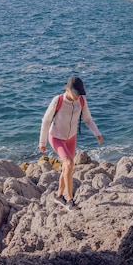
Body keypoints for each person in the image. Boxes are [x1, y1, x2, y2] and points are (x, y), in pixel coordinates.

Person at [39, 76, 104, 210]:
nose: (77, 96)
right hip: (56, 137)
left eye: (80, 93)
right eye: (75, 93)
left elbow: (88, 119)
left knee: (66, 168)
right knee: (69, 163)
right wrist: (42, 142)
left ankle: (58, 196)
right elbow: (46, 121)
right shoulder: (58, 100)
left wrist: (97, 133)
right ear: (67, 89)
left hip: (71, 138)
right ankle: (70, 200)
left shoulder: (81, 100)